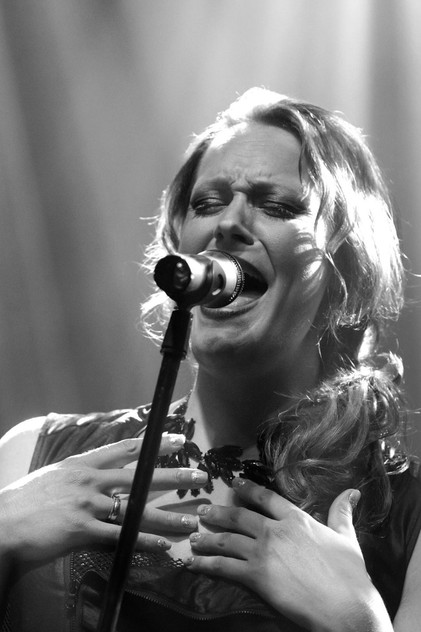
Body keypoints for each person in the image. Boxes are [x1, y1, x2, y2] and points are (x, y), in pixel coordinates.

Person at [0, 87, 420, 632]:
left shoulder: (407, 524)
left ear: (347, 268)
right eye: (207, 203)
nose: (228, 223)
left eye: (277, 206)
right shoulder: (30, 455)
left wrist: (357, 622)